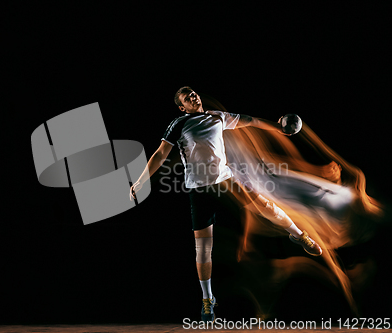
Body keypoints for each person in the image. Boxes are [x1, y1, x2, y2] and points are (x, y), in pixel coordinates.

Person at [129, 86, 323, 323]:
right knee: (203, 248)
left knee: (265, 206)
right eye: (187, 97)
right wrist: (140, 182)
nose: (193, 96)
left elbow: (251, 121)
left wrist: (279, 128)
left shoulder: (217, 116)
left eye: (193, 93)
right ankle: (208, 301)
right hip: (199, 190)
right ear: (182, 107)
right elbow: (160, 154)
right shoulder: (179, 123)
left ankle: (299, 235)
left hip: (226, 181)